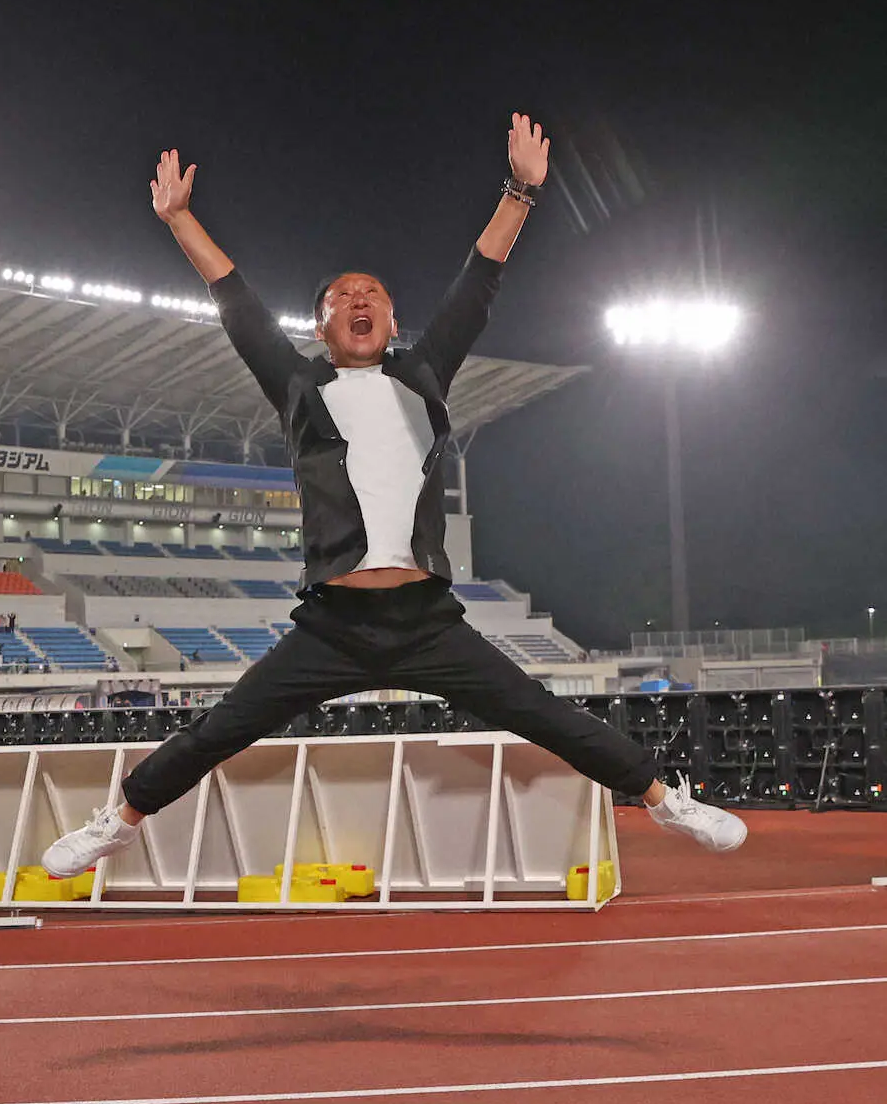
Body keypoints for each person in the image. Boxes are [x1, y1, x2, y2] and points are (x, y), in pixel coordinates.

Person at [43, 116, 747, 877]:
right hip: (334, 625)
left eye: (372, 293)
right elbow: (236, 301)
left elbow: (477, 284)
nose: (358, 299)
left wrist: (521, 191)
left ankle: (665, 801)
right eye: (342, 296)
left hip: (425, 621)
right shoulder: (299, 387)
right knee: (219, 729)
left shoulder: (421, 375)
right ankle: (116, 823)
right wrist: (180, 218)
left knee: (545, 715)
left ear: (392, 320)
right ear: (321, 326)